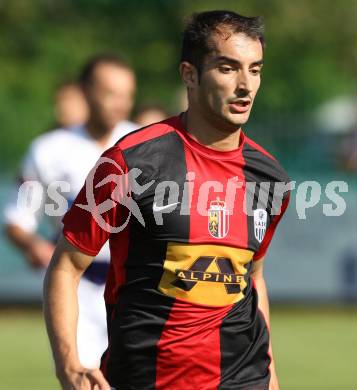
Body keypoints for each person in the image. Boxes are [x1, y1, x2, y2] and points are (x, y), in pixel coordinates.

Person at [44, 11, 290, 390]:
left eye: (254, 70)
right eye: (228, 68)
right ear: (189, 74)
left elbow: (253, 280)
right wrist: (69, 365)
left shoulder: (270, 176)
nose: (245, 85)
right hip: (145, 379)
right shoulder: (129, 162)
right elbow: (65, 267)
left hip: (244, 379)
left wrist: (270, 377)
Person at [4, 54, 137, 368]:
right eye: (110, 93)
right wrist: (32, 243)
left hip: (136, 290)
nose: (119, 103)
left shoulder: (145, 144)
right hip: (77, 288)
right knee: (86, 379)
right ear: (86, 92)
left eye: (126, 95)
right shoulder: (49, 150)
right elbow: (17, 218)